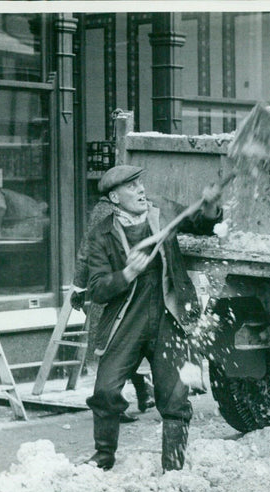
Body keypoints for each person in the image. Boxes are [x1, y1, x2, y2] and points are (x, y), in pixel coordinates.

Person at [83, 164, 223, 472]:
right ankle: (104, 455)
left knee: (175, 396)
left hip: (167, 313)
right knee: (105, 390)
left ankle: (173, 465)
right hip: (126, 318)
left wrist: (210, 204)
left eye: (140, 183)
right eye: (131, 187)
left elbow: (201, 223)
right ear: (114, 198)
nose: (141, 190)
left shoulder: (162, 212)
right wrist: (126, 273)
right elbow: (97, 289)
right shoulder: (102, 234)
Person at [71, 192, 154, 422]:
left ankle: (135, 394)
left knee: (115, 345)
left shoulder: (105, 210)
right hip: (117, 287)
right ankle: (139, 392)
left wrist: (78, 285)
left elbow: (85, 251)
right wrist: (80, 285)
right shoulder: (116, 211)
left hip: (117, 293)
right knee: (119, 345)